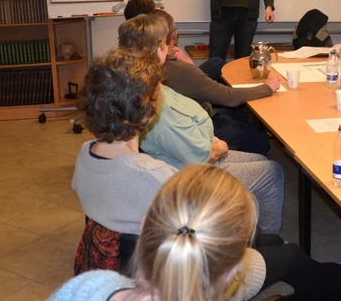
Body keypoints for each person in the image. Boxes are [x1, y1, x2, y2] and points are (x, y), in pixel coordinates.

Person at [50, 165, 341, 301]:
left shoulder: (87, 286)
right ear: (237, 269)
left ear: (145, 222)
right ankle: (334, 282)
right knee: (288, 254)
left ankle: (329, 280)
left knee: (276, 244)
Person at [119, 14, 284, 234]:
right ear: (159, 50)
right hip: (190, 174)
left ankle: (241, 225)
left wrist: (211, 141)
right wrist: (217, 145)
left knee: (259, 158)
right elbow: (200, 155)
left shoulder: (144, 85)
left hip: (191, 155)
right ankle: (265, 241)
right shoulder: (155, 103)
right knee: (272, 171)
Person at [72, 48, 178, 238]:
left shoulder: (84, 155)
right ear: (147, 115)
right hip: (153, 264)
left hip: (102, 261)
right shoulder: (159, 177)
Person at [153, 9, 277, 155]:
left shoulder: (148, 65)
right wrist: (266, 88)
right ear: (174, 34)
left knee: (217, 65)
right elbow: (228, 96)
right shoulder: (181, 70)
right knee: (261, 142)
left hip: (187, 117)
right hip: (202, 122)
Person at [123, 0, 227, 81]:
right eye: (154, 12)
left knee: (216, 63)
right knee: (217, 63)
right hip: (188, 81)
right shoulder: (158, 47)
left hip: (189, 76)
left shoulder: (131, 43)